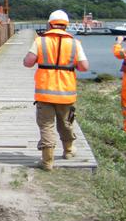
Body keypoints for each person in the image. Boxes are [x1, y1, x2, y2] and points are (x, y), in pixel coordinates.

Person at [23, 10, 89, 170]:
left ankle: (47, 161)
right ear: (66, 25)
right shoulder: (75, 43)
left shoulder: (40, 41)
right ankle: (68, 150)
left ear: (50, 24)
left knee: (46, 125)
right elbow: (84, 67)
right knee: (66, 123)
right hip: (66, 92)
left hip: (45, 92)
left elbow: (28, 63)